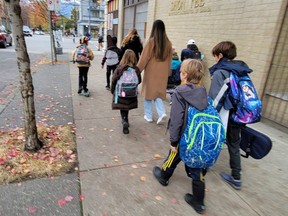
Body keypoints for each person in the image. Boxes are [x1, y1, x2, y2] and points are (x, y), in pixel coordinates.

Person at [153, 59, 208, 214]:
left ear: (184, 75)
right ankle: (199, 202)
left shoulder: (180, 92)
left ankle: (163, 176)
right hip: (198, 138)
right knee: (198, 167)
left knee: (173, 155)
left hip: (184, 137)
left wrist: (174, 141)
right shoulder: (202, 90)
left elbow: (177, 119)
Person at [208, 41, 253, 190]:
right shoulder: (241, 70)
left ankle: (203, 166)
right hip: (239, 114)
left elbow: (216, 98)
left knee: (212, 140)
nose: (215, 59)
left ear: (220, 56)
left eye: (215, 56)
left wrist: (208, 115)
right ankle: (236, 177)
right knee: (234, 144)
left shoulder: (221, 72)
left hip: (225, 114)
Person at [137, 19, 172, 124]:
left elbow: (144, 58)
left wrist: (137, 70)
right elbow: (170, 60)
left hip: (151, 73)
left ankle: (149, 116)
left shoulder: (151, 42)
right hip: (163, 73)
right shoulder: (168, 44)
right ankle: (162, 113)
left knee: (148, 94)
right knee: (157, 93)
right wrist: (168, 72)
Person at [111, 49, 142, 134]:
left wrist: (112, 90)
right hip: (131, 93)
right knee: (127, 106)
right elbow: (139, 81)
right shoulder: (136, 69)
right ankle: (126, 120)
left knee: (122, 107)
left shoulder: (120, 68)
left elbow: (114, 80)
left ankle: (124, 120)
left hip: (121, 92)